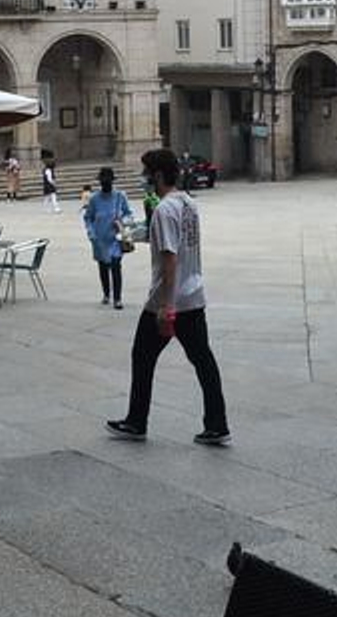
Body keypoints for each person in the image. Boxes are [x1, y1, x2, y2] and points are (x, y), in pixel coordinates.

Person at [106, 148, 229, 445]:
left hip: (167, 299)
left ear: (158, 175)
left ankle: (137, 421)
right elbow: (176, 240)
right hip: (194, 294)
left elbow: (170, 257)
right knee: (203, 360)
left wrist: (166, 306)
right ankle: (217, 423)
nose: (143, 177)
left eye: (146, 172)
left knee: (142, 356)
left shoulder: (163, 209)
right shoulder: (188, 203)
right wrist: (131, 235)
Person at [83, 167, 134, 308]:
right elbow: (88, 218)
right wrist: (91, 232)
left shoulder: (119, 196)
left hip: (116, 239)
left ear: (112, 182)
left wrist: (122, 221)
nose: (106, 185)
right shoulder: (94, 199)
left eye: (108, 182)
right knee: (103, 267)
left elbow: (129, 213)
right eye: (103, 182)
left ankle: (117, 298)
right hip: (99, 239)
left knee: (116, 266)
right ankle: (106, 293)